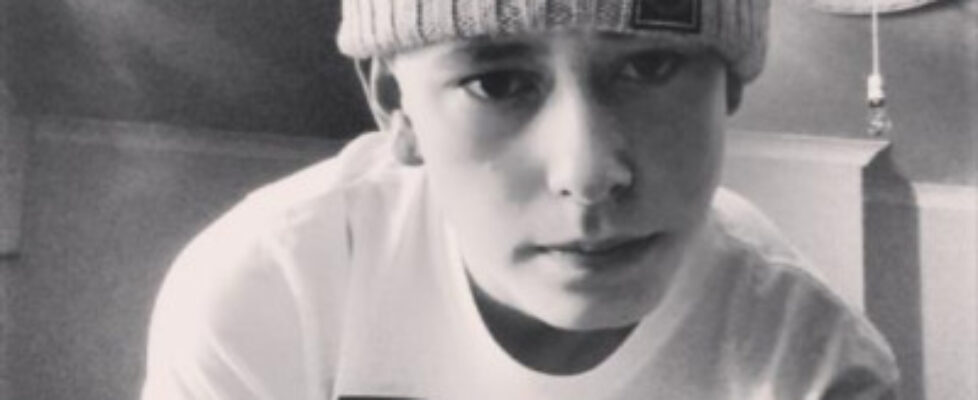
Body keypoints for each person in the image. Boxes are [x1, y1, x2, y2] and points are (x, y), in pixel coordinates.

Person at [141, 0, 900, 398]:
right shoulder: (271, 292)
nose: (589, 173)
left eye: (652, 67)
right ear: (397, 108)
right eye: (498, 83)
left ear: (729, 83)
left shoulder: (811, 364)